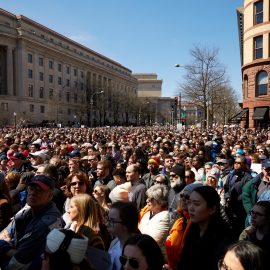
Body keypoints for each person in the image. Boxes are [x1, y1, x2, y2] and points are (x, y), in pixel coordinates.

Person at [0, 175, 63, 270]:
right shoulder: (27, 210)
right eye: (31, 189)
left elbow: (17, 263)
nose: (33, 193)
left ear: (50, 196)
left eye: (39, 190)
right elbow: (3, 234)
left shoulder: (47, 222)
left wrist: (4, 247)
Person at [177, 185, 234, 270]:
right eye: (189, 203)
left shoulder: (223, 239)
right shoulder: (192, 230)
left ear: (212, 209)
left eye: (196, 204)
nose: (191, 208)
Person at [165, 183, 203, 270]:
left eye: (187, 197)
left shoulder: (199, 225)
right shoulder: (179, 219)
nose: (183, 199)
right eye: (182, 196)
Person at [107, 202, 139, 270]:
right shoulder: (115, 242)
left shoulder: (135, 252)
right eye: (108, 219)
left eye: (112, 221)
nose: (107, 224)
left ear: (126, 225)